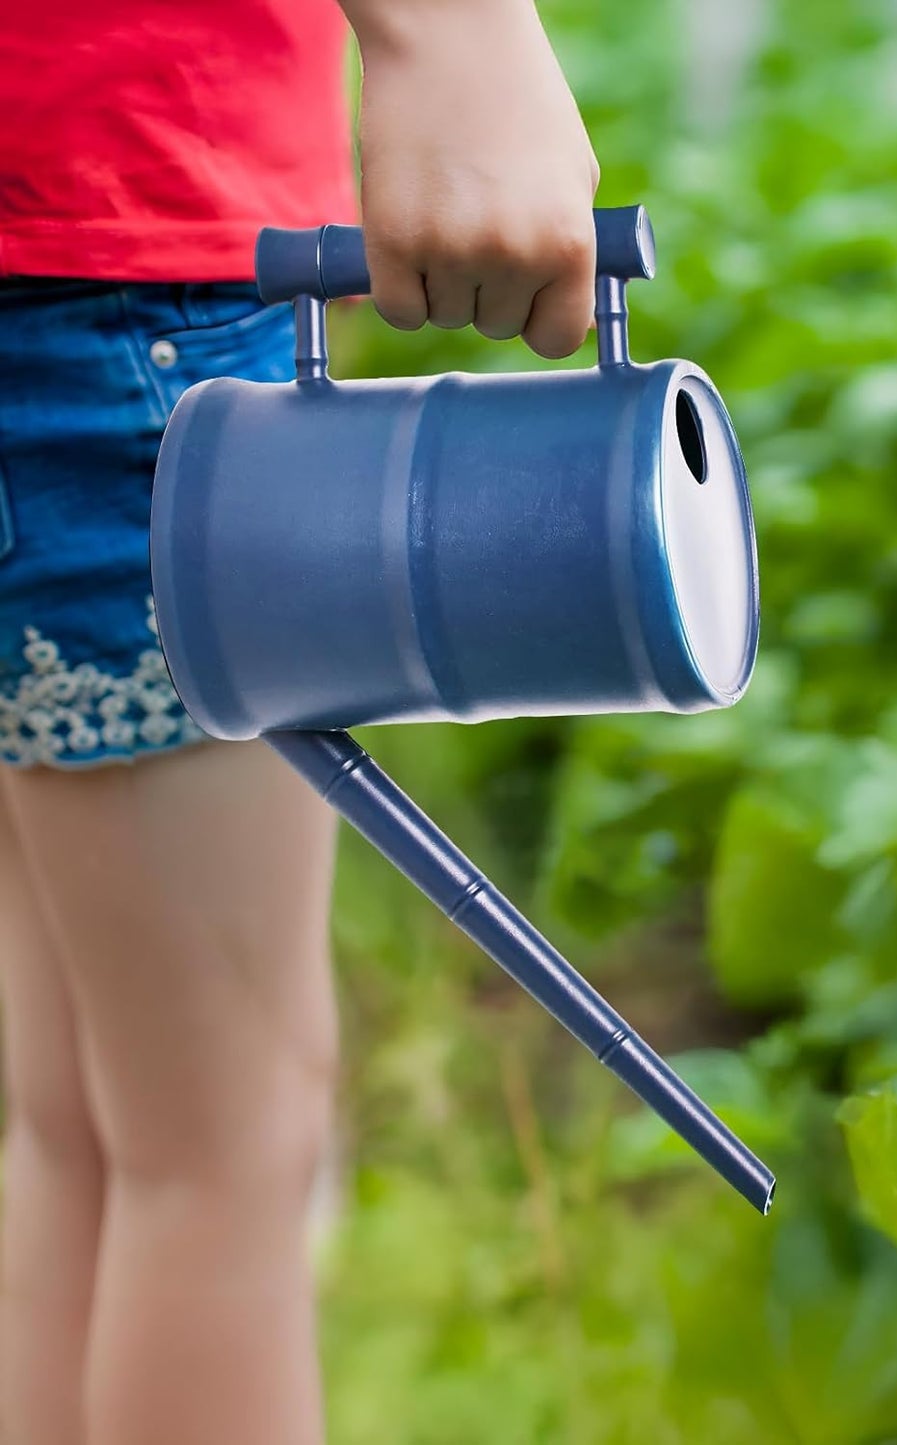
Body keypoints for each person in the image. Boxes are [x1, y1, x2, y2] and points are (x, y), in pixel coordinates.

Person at [0, 3, 599, 1443]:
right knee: (220, 1145)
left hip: (71, 223)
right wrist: (455, 34)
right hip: (124, 232)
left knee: (80, 1118)